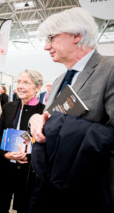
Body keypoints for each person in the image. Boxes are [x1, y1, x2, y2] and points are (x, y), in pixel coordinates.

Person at [28, 7, 114, 213]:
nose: (46, 46)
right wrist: (37, 119)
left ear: (77, 35)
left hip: (90, 192)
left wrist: (67, 128)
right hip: (53, 189)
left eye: (51, 38)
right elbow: (52, 118)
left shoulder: (109, 69)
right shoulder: (59, 80)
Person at [0, 70, 45, 213]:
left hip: (27, 171)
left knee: (25, 207)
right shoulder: (9, 107)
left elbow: (44, 144)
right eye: (18, 82)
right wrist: (6, 154)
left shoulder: (43, 112)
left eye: (26, 82)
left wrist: (28, 156)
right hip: (4, 166)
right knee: (1, 206)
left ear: (38, 87)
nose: (20, 86)